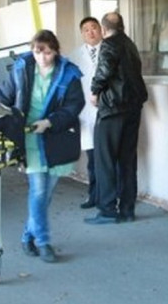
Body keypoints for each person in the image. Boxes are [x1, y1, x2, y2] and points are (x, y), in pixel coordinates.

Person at [0, 29, 84, 263]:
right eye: (38, 52)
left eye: (48, 52)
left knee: (46, 194)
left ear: (56, 51)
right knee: (38, 191)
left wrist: (49, 122)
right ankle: (43, 242)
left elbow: (74, 106)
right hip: (29, 139)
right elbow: (3, 97)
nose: (43, 57)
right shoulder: (21, 69)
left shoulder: (69, 74)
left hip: (55, 138)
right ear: (32, 51)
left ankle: (27, 236)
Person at [85, 12, 148, 224]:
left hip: (112, 108)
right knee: (127, 161)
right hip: (133, 108)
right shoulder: (130, 44)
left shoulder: (109, 44)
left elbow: (104, 71)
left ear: (103, 29)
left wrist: (95, 91)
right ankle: (127, 210)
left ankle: (107, 210)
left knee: (105, 161)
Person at [67, 16, 103, 209]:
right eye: (86, 30)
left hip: (107, 111)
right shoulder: (74, 57)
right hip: (86, 113)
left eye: (94, 28)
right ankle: (94, 196)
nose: (91, 32)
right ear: (82, 34)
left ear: (101, 30)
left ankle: (111, 197)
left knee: (110, 157)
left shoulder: (110, 51)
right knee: (93, 158)